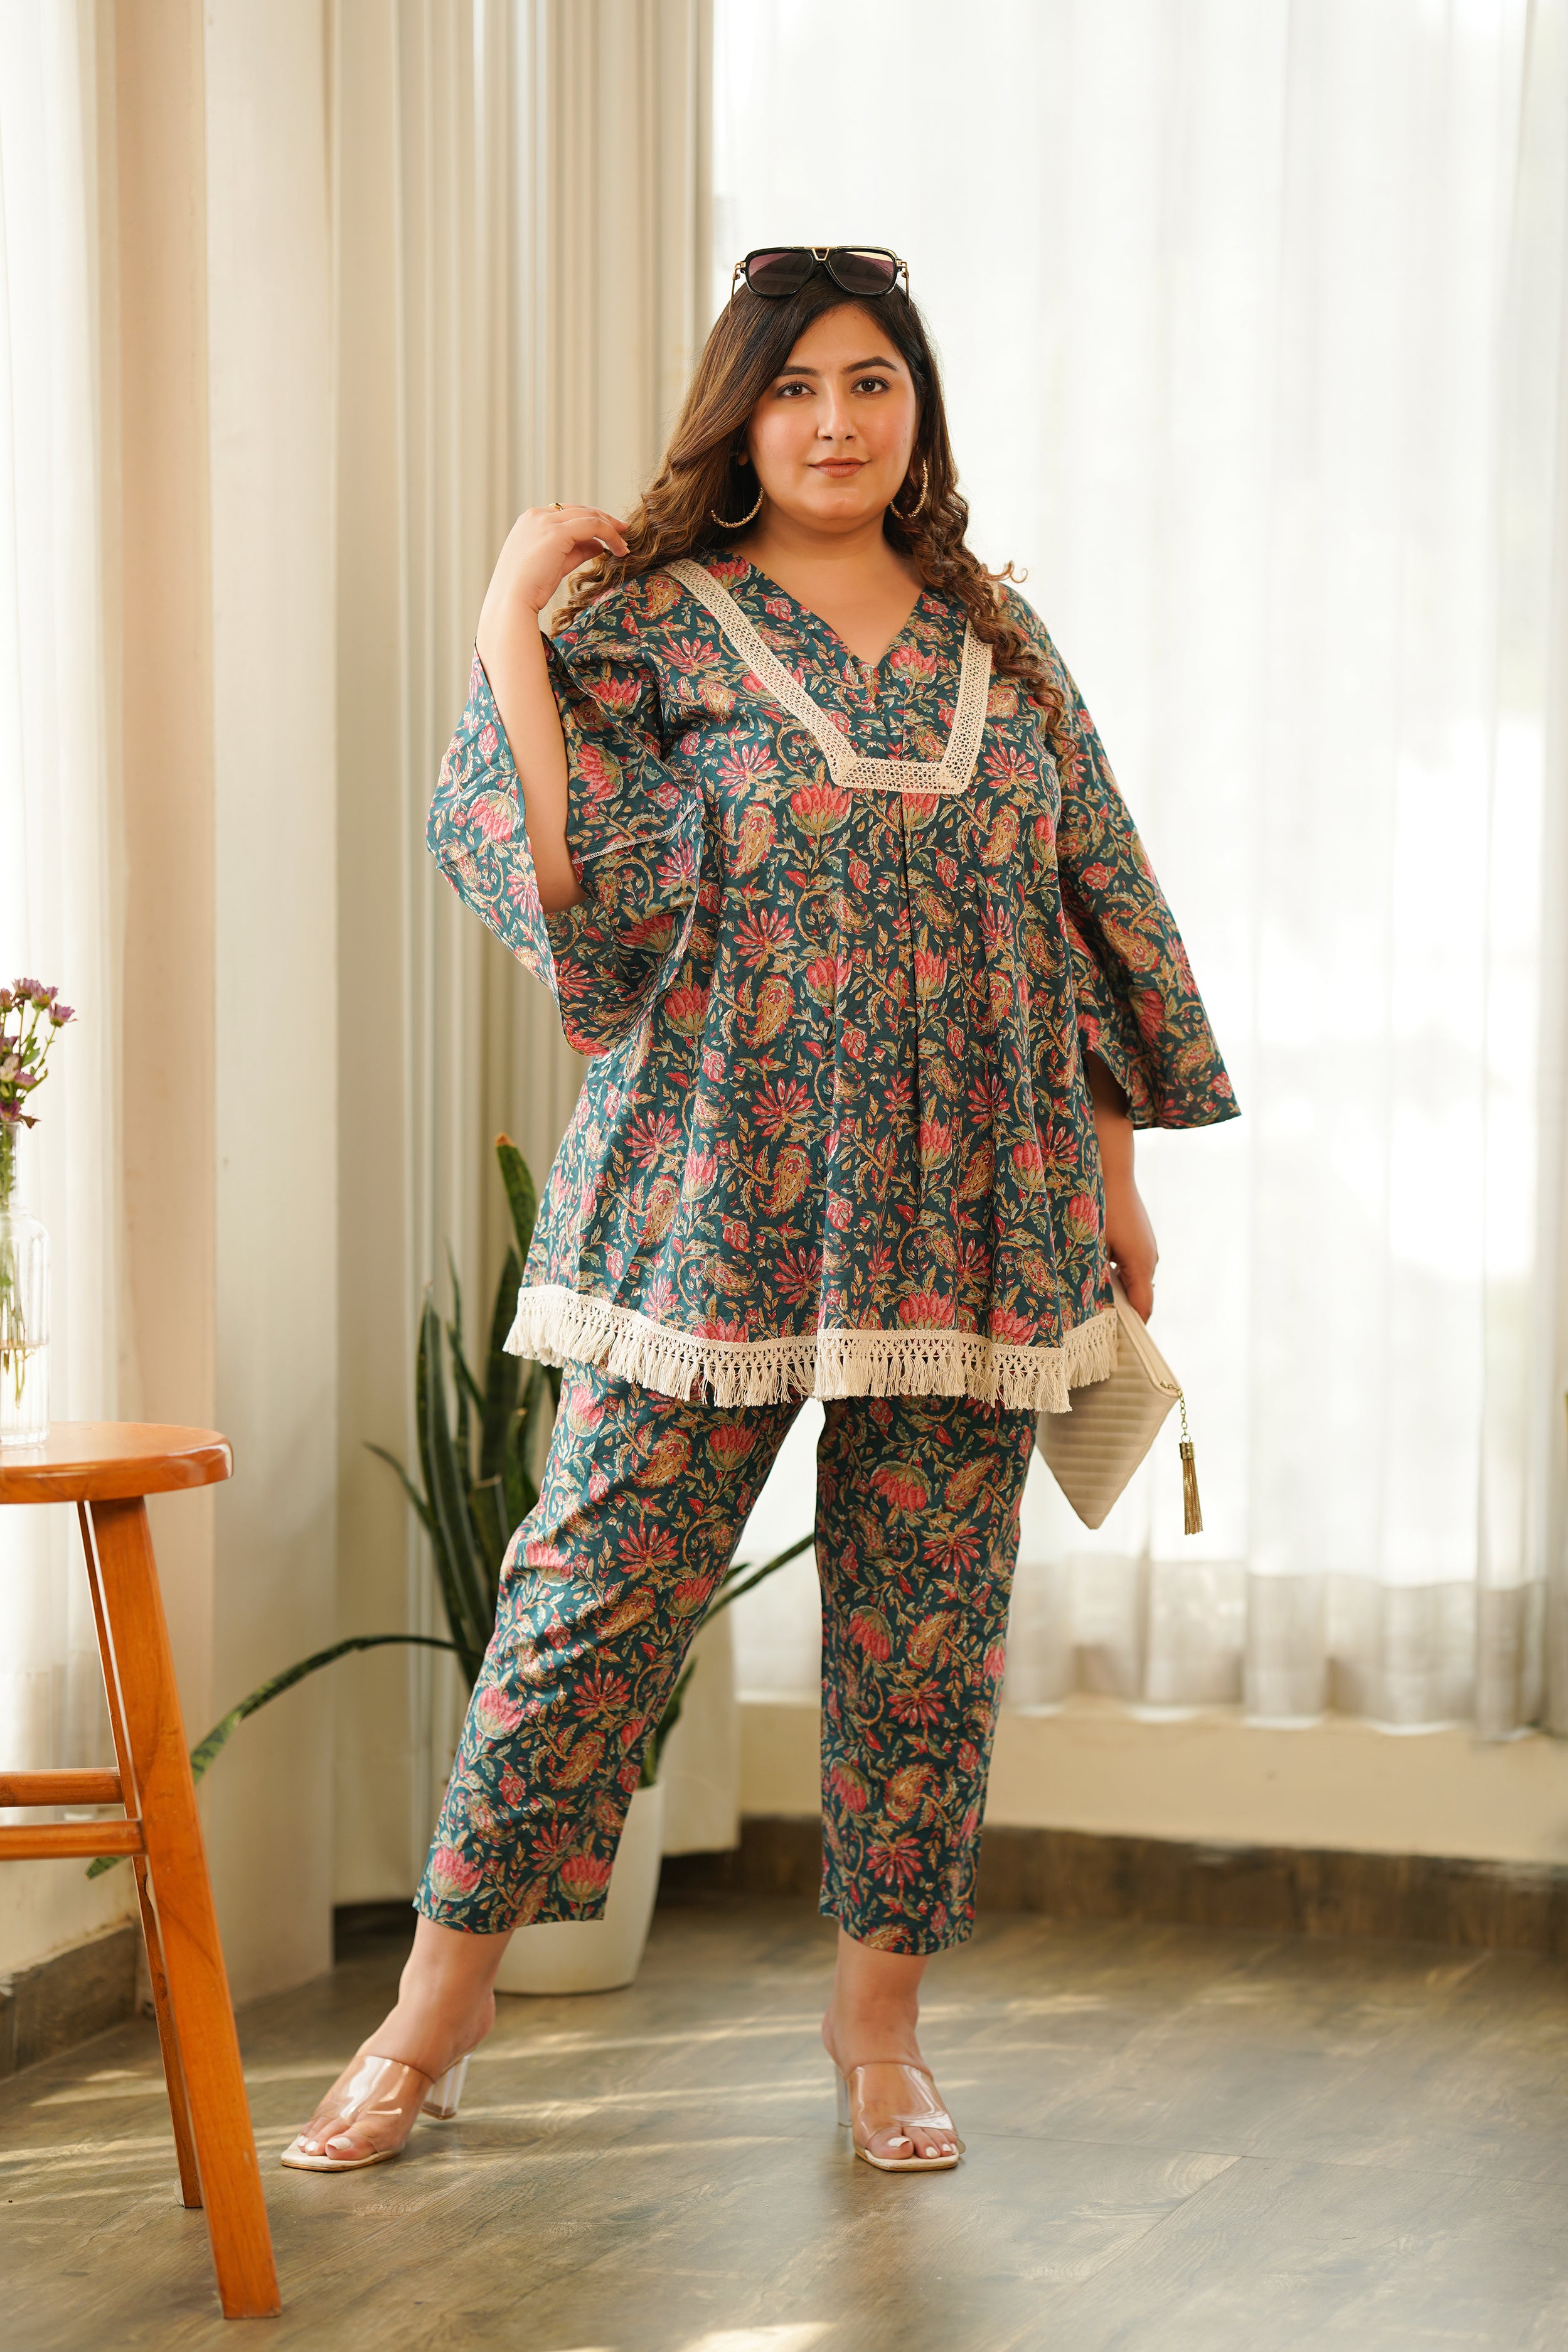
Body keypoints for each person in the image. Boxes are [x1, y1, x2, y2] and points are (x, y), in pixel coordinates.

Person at [285, 243, 1238, 2176]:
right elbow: (548, 862)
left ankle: (877, 2029)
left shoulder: (998, 638)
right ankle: (430, 2018)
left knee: (925, 1631)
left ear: (916, 410)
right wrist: (506, 615)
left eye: (871, 381)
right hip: (709, 1200)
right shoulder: (648, 627)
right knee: (587, 1600)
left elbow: (1088, 907)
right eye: (794, 385)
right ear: (739, 415)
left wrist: (1114, 1179)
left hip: (978, 1207)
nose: (834, 420)